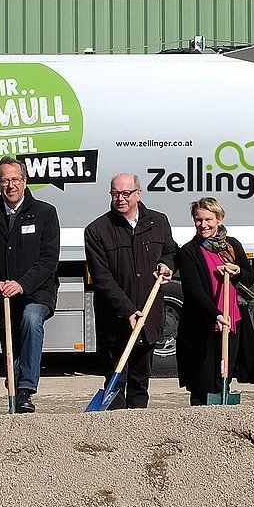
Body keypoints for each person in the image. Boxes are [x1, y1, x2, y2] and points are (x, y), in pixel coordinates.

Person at [0, 156, 60, 413]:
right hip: (2, 297)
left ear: (25, 181)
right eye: (5, 180)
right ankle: (16, 385)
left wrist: (22, 285)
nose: (11, 185)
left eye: (15, 179)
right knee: (11, 346)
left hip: (37, 293)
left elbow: (49, 259)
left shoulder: (45, 213)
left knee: (31, 320)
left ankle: (25, 389)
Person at [83, 173, 177, 409]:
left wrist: (167, 264)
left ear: (138, 194)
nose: (120, 199)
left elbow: (171, 251)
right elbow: (102, 278)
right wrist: (127, 311)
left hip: (148, 316)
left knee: (140, 382)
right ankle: (114, 437)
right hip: (115, 321)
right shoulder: (97, 230)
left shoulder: (159, 222)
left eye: (126, 194)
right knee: (115, 384)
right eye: (115, 194)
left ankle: (138, 433)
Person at [177, 197, 254, 405]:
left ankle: (222, 419)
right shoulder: (189, 251)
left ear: (219, 219)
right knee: (203, 382)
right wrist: (216, 314)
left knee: (224, 375)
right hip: (203, 324)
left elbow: (249, 278)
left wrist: (237, 271)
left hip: (232, 320)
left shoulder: (232, 246)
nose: (203, 225)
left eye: (208, 219)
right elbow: (193, 290)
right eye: (198, 220)